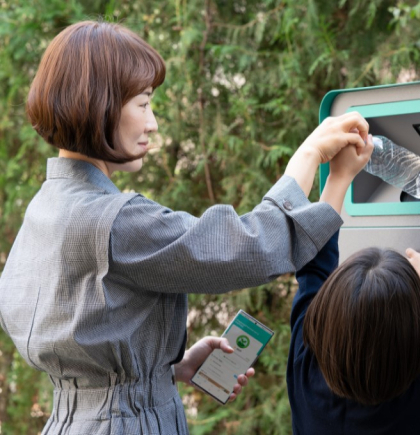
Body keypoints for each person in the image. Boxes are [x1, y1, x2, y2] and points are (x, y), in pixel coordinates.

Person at [0, 20, 372, 434]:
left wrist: (167, 370)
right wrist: (309, 157)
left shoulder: (46, 206)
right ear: (98, 105)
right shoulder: (116, 221)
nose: (153, 122)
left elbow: (75, 333)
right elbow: (251, 247)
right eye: (142, 103)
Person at [287, 217, 420, 433]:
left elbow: (315, 264)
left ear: (325, 313)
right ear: (415, 333)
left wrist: (338, 184)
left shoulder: (304, 360)